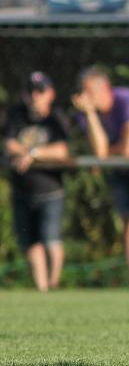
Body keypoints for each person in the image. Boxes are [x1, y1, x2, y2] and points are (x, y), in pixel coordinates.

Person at [72, 66, 129, 291]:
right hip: (119, 169)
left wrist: (106, 155)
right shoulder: (86, 112)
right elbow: (100, 152)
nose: (84, 97)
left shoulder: (128, 100)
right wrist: (91, 115)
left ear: (104, 87)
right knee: (127, 224)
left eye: (89, 92)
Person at [3, 71, 70, 291]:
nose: (35, 96)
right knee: (30, 243)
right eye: (30, 91)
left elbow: (62, 150)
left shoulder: (56, 118)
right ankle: (42, 290)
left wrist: (32, 154)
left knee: (51, 240)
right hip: (22, 190)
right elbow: (8, 144)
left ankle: (53, 284)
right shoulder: (17, 115)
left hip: (51, 191)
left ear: (50, 93)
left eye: (40, 91)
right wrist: (27, 153)